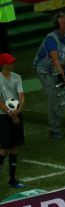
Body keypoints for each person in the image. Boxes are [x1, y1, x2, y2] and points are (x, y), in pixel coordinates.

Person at [32, 12, 65, 139]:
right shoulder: (52, 39)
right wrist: (63, 77)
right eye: (63, 22)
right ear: (57, 24)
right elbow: (56, 60)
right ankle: (54, 129)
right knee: (54, 99)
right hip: (46, 72)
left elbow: (64, 58)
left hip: (57, 68)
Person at [0, 52, 25, 188]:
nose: (13, 64)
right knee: (4, 148)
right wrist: (11, 113)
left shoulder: (17, 77)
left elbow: (21, 95)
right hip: (3, 116)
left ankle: (12, 180)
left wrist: (19, 110)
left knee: (14, 147)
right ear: (4, 65)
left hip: (15, 112)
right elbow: (0, 100)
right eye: (10, 62)